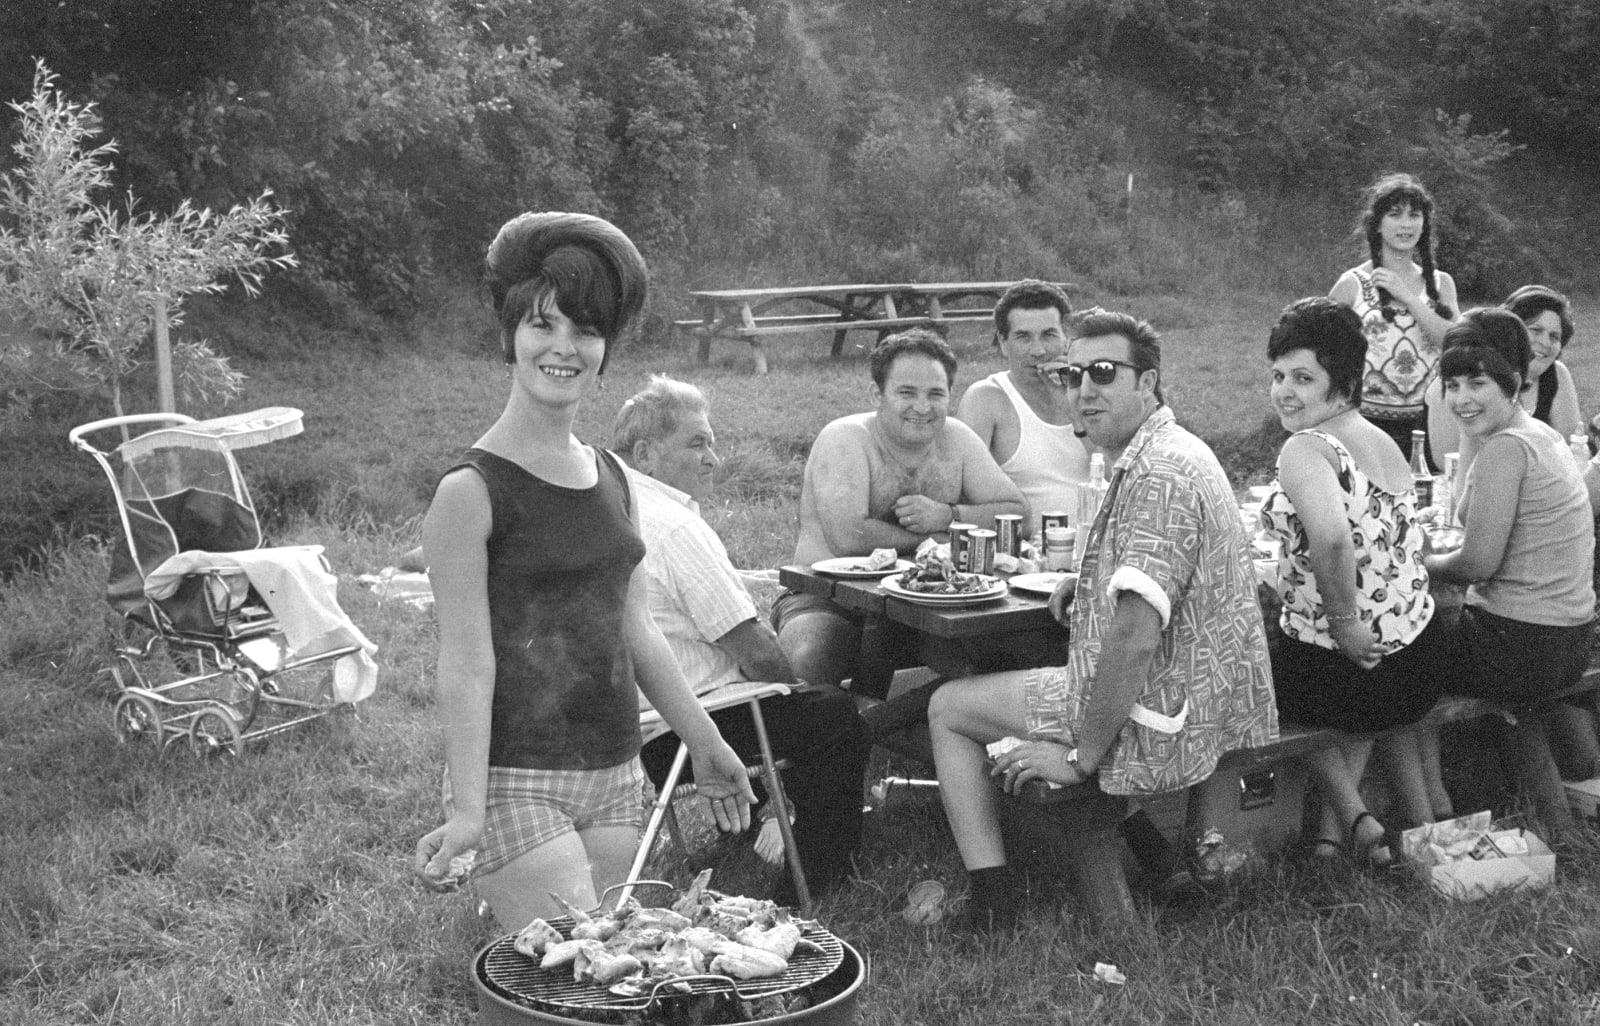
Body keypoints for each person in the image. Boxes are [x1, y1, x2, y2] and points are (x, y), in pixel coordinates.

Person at [411, 212, 754, 931]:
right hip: (515, 776)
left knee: (612, 978)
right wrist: (467, 809)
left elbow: (635, 632)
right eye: (543, 325)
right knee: (578, 975)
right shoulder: (469, 493)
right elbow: (466, 665)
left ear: (606, 349)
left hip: (616, 772)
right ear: (509, 335)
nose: (564, 348)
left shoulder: (614, 478)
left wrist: (706, 741)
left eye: (586, 331)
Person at [927, 309, 1277, 929]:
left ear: (1148, 382)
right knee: (1011, 675)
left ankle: (993, 900)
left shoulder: (1157, 475)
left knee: (947, 707)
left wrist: (1082, 758)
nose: (1084, 390)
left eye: (1105, 373)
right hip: (1207, 697)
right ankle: (1147, 846)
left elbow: (1135, 639)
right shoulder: (1175, 448)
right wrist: (1085, 583)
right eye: (1073, 375)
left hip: (1165, 718)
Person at [611, 375, 871, 902]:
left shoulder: (611, 510)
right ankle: (814, 882)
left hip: (641, 732)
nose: (714, 459)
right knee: (835, 719)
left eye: (711, 441)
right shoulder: (673, 527)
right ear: (645, 453)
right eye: (697, 443)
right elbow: (754, 649)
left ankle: (748, 830)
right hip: (693, 732)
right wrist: (796, 688)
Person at [1258, 298, 1454, 862]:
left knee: (1252, 680)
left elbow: (1335, 538)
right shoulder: (1380, 438)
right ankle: (1346, 823)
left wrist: (1343, 623)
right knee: (1299, 647)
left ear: (1340, 382)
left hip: (1354, 675)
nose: (1284, 391)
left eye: (1302, 377)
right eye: (1277, 375)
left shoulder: (1306, 448)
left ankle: (1351, 815)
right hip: (1414, 668)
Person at [773, 328, 1026, 695]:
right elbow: (848, 538)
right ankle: (816, 743)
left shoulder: (956, 439)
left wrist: (948, 515)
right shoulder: (846, 438)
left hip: (932, 601)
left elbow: (1017, 512)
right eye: (907, 393)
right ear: (877, 394)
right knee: (812, 654)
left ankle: (922, 728)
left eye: (935, 394)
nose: (922, 407)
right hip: (830, 598)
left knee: (1005, 649)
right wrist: (936, 538)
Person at [1425, 309, 1597, 818]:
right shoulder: (1537, 434)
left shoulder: (1507, 449)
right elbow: (1461, 511)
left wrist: (1420, 561)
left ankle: (1427, 804)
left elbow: (1477, 562)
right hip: (1568, 637)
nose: (1461, 397)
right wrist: (1471, 425)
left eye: (1477, 383)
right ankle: (1529, 800)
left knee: (1394, 659)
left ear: (1514, 383)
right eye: (1451, 385)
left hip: (1520, 645)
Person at [1329, 173, 1458, 458]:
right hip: (1364, 423)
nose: (1406, 224)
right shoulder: (1352, 285)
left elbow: (1456, 345)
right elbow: (1321, 355)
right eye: (1395, 215)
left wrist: (1409, 298)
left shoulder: (1442, 284)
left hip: (1430, 422)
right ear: (1376, 224)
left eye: (1414, 215)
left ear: (1425, 224)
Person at [956, 279, 1090, 532]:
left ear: (1066, 338)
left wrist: (1074, 413)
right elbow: (960, 490)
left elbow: (1121, 474)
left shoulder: (1092, 391)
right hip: (1023, 553)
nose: (1038, 351)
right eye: (1023, 337)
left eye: (1049, 335)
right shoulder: (987, 399)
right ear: (1003, 343)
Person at [1427, 284, 1584, 471]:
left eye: (1554, 336)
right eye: (1535, 330)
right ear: (1511, 330)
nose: (1545, 342)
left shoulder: (1557, 375)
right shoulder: (1456, 383)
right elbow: (1447, 463)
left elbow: (1570, 450)